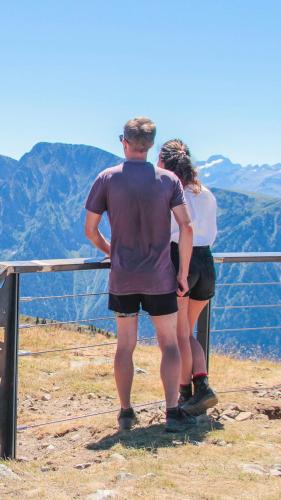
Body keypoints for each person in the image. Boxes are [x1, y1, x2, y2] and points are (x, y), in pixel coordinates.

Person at [84, 117, 198, 433]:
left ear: (125, 142)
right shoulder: (168, 181)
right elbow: (186, 227)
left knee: (125, 345)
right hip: (161, 277)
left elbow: (90, 230)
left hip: (123, 277)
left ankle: (125, 412)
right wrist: (184, 273)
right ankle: (172, 412)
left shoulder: (107, 179)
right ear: (150, 145)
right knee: (170, 344)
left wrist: (113, 252)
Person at [159, 139, 219, 415]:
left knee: (180, 333)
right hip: (207, 261)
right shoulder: (205, 192)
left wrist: (181, 271)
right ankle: (195, 387)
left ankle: (195, 390)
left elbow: (182, 231)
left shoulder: (171, 190)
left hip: (182, 259)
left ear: (164, 164)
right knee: (188, 331)